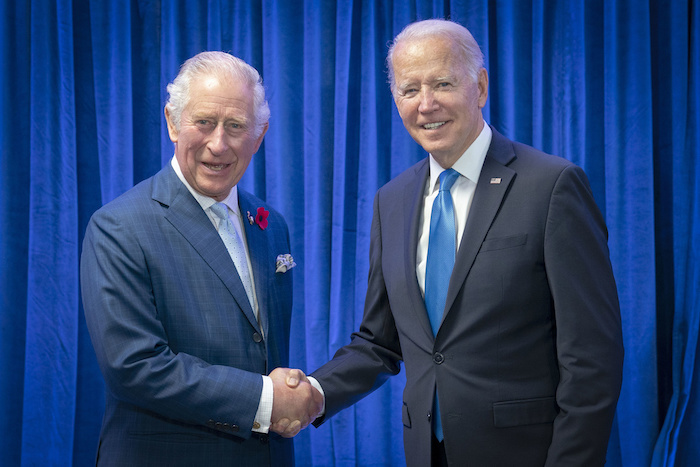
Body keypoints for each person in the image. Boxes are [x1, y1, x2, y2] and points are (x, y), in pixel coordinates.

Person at [297, 19, 624, 466]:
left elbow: (592, 359)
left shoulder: (551, 186)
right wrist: (313, 392)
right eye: (410, 90)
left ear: (481, 86)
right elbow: (379, 340)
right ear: (396, 100)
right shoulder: (390, 201)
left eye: (443, 84)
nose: (426, 105)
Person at [80, 51, 321, 466]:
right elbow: (134, 366)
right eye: (204, 122)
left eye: (236, 126)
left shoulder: (270, 226)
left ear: (259, 136)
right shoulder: (118, 226)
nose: (219, 144)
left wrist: (300, 395)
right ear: (173, 122)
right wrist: (267, 399)